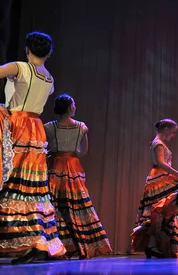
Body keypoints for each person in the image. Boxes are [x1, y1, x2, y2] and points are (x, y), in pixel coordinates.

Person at [0, 31, 66, 263]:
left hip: (16, 126)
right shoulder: (49, 79)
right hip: (35, 130)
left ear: (28, 49)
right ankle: (39, 240)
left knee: (9, 181)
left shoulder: (19, 67)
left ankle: (30, 240)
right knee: (31, 187)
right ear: (48, 53)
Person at [44, 94, 112, 259]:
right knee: (77, 205)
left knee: (55, 204)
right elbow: (84, 150)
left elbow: (44, 148)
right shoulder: (81, 127)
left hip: (55, 164)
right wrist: (71, 155)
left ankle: (56, 245)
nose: (75, 107)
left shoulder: (49, 127)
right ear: (70, 107)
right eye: (73, 104)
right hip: (73, 166)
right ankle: (81, 245)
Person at [131, 119, 178, 258]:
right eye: (173, 132)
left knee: (162, 212)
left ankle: (158, 246)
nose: (173, 135)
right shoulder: (158, 143)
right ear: (166, 129)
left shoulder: (158, 143)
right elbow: (161, 163)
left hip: (160, 178)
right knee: (160, 211)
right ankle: (157, 245)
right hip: (159, 179)